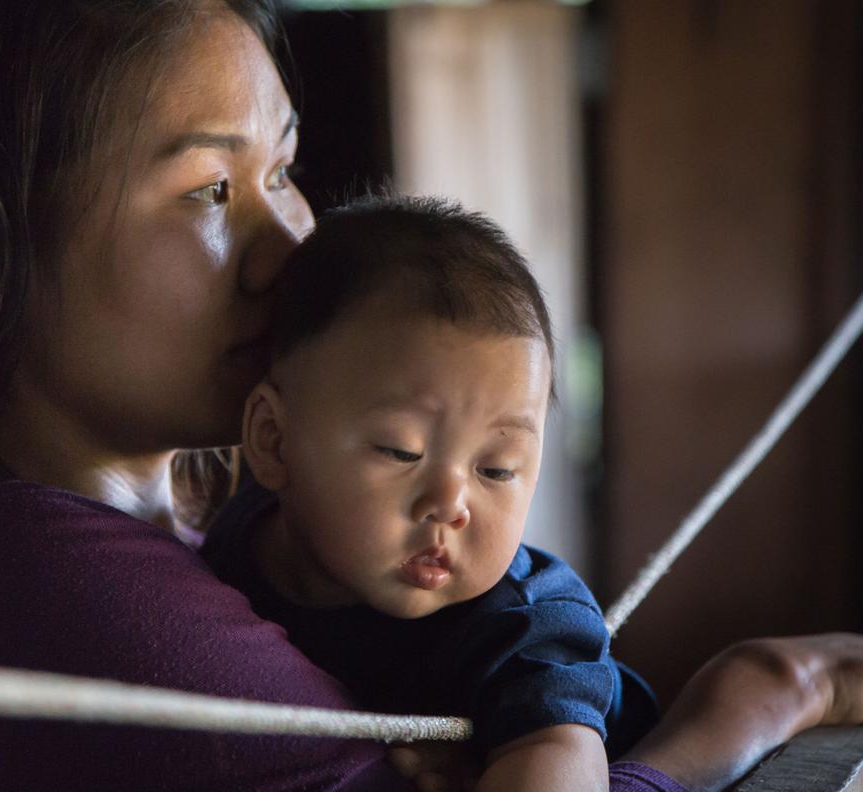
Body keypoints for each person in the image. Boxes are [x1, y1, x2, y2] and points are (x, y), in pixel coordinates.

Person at [0, 0, 863, 790]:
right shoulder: (26, 580)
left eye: (283, 170)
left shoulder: (190, 544)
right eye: (206, 193)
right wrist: (765, 700)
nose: (292, 247)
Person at [201, 194, 658, 792]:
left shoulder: (526, 629)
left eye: (496, 469)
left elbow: (559, 754)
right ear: (274, 442)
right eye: (401, 452)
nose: (449, 503)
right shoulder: (232, 544)